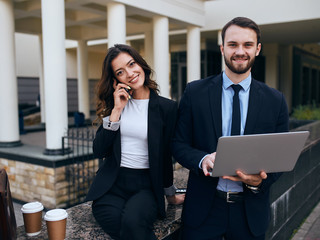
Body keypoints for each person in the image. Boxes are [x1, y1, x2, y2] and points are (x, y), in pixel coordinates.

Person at [172, 17, 289, 240]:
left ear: (258, 49)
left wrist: (259, 182)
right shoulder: (195, 92)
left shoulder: (276, 100)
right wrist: (202, 159)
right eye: (233, 44)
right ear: (222, 48)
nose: (240, 51)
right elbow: (178, 144)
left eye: (247, 45)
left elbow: (281, 155)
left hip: (250, 213)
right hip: (203, 211)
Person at [86, 44, 184, 240]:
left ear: (141, 64)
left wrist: (169, 194)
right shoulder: (116, 105)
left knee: (132, 223)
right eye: (121, 72)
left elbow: (166, 155)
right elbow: (99, 150)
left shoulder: (167, 108)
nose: (130, 73)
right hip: (112, 185)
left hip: (146, 185)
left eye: (132, 64)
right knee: (116, 222)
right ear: (116, 80)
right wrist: (116, 111)